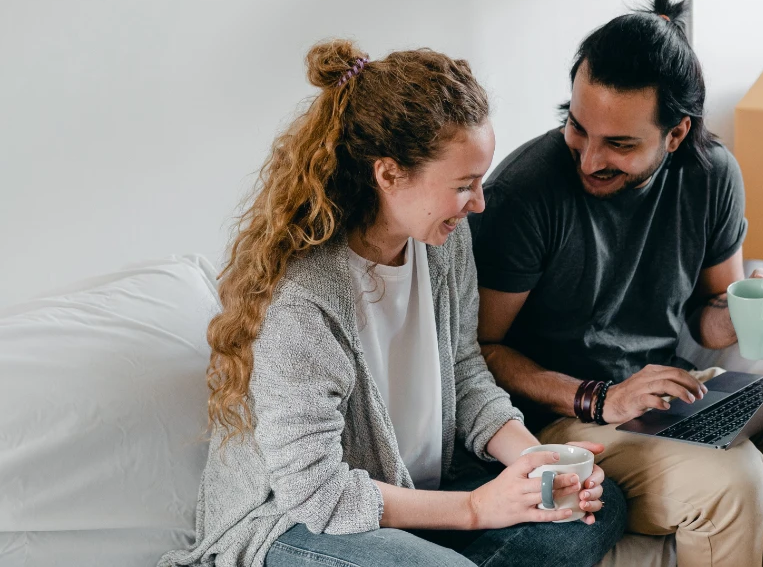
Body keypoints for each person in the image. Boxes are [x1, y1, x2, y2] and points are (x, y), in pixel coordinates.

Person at [159, 39, 625, 567]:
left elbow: (465, 370)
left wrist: (536, 461)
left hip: (412, 494)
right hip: (295, 524)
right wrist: (477, 508)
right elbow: (317, 493)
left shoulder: (444, 244)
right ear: (388, 174)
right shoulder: (303, 300)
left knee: (592, 506)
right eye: (465, 185)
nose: (480, 203)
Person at [469, 0, 763, 567]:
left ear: (675, 134)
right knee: (734, 479)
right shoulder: (525, 194)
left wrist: (739, 315)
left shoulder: (711, 176)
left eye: (619, 144)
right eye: (577, 127)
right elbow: (480, 349)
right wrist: (600, 398)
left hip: (661, 402)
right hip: (558, 421)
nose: (587, 159)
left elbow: (708, 313)